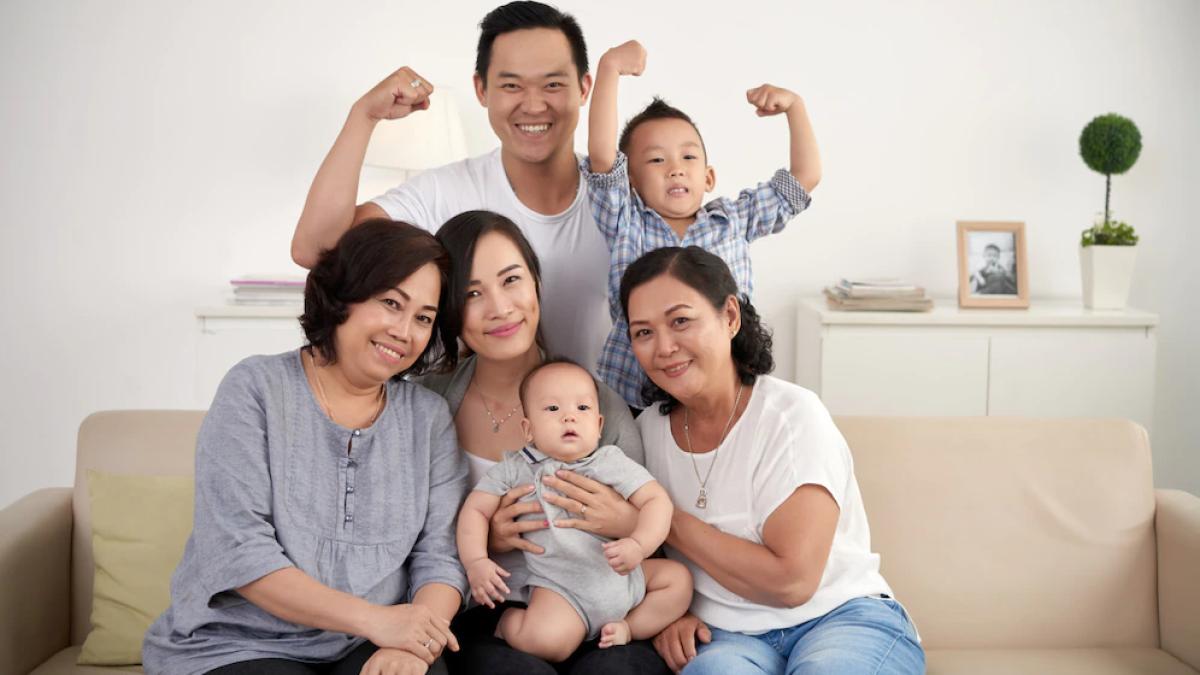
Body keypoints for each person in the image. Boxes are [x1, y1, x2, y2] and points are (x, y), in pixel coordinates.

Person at [143, 220, 467, 675]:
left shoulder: (427, 418)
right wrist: (379, 621)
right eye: (391, 303)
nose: (404, 331)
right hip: (241, 645)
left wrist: (414, 643)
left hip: (368, 644)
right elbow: (240, 553)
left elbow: (439, 557)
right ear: (343, 297)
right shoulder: (255, 388)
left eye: (423, 318)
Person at [620, 246, 925, 675]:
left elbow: (792, 582)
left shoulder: (792, 417)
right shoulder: (645, 433)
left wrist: (661, 518)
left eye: (681, 321)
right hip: (723, 637)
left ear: (729, 317)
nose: (664, 347)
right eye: (643, 332)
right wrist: (668, 613)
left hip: (839, 617)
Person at [416, 211, 672, 674]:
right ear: (449, 309)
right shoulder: (429, 402)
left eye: (511, 280)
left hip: (607, 602)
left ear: (535, 284)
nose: (499, 307)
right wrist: (485, 542)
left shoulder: (598, 406)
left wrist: (623, 520)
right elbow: (411, 537)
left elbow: (651, 532)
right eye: (473, 293)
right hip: (495, 608)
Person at [292, 1, 610, 371]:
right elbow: (316, 250)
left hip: (606, 418)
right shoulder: (444, 193)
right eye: (511, 85)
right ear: (481, 89)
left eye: (553, 84)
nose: (534, 105)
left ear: (585, 88)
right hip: (474, 416)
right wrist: (364, 116)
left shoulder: (623, 197)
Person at [582, 40, 820, 407]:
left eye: (688, 156)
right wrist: (610, 68)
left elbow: (804, 178)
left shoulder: (734, 219)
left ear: (708, 177)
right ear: (629, 179)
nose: (676, 167)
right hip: (638, 390)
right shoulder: (625, 221)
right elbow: (601, 156)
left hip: (720, 382)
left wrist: (795, 107)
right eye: (657, 160)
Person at [457, 358, 692, 661]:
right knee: (548, 643)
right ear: (528, 429)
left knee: (679, 582)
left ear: (598, 425)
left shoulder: (610, 461)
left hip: (624, 576)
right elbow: (475, 510)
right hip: (561, 590)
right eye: (553, 409)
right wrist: (476, 561)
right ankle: (508, 624)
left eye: (582, 409)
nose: (569, 417)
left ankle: (628, 629)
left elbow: (656, 501)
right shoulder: (517, 468)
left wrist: (639, 544)